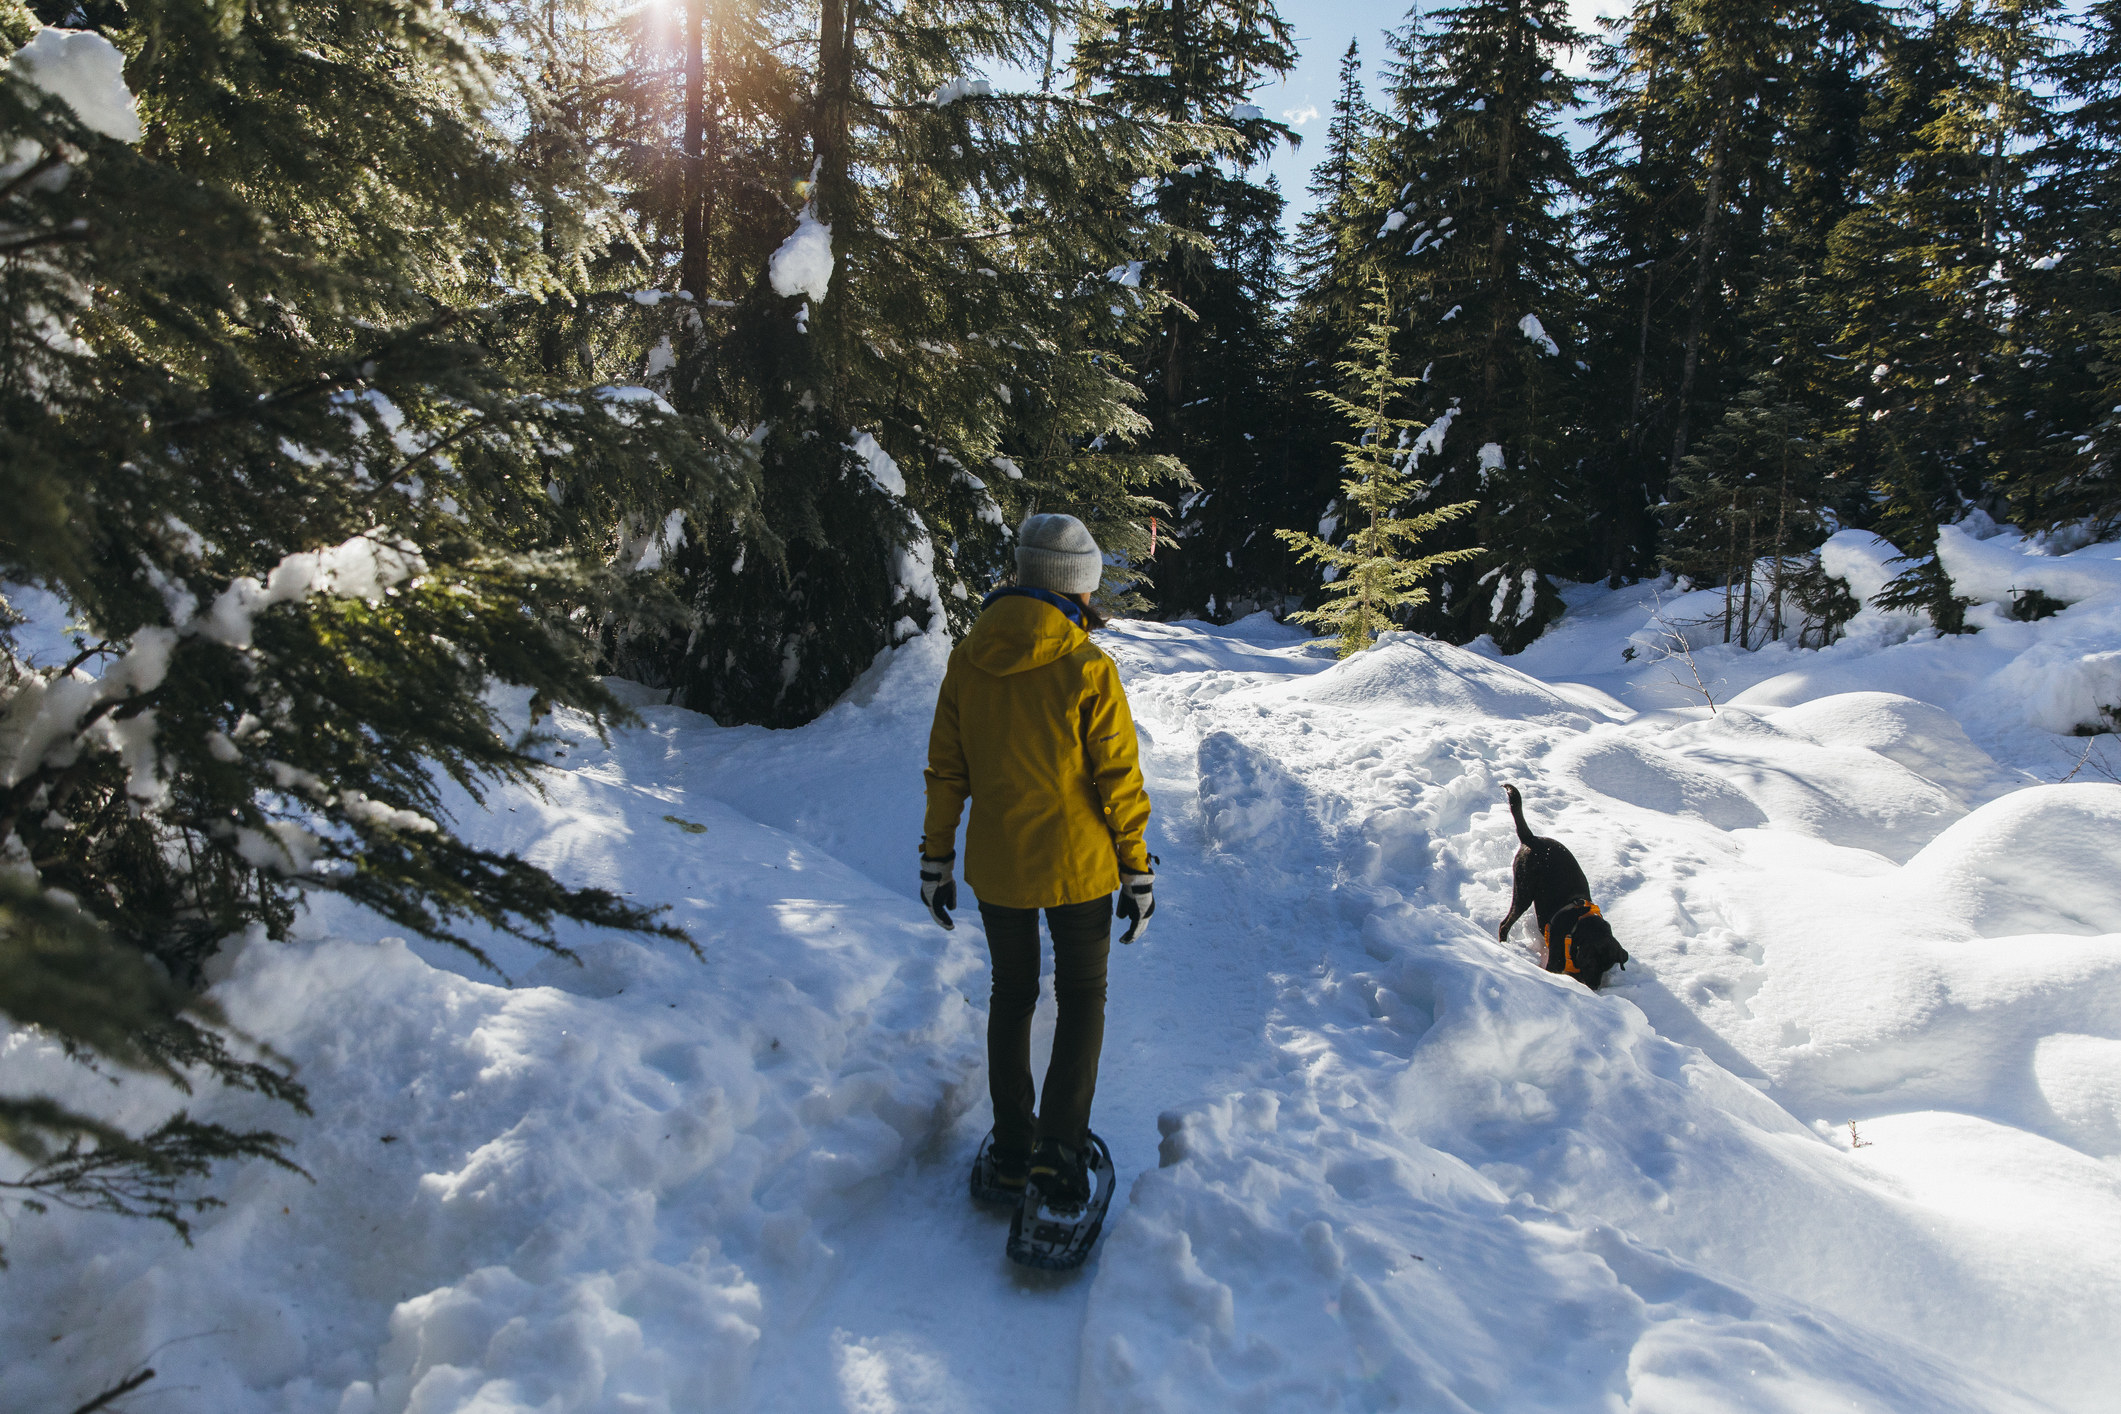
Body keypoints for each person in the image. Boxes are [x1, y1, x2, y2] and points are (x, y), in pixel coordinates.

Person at [918, 512, 1156, 1206]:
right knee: (1082, 997)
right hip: (1079, 865)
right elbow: (1118, 780)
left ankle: (1014, 1148)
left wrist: (935, 858)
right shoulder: (1087, 666)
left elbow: (946, 771)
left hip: (1000, 866)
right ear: (1078, 586)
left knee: (1012, 995)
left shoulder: (967, 658)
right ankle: (1058, 1154)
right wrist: (1136, 868)